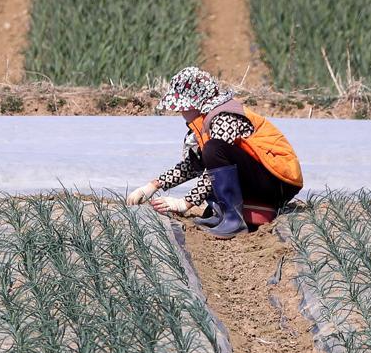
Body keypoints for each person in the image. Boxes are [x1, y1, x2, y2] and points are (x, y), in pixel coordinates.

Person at [126, 66, 303, 238]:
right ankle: (222, 214)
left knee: (213, 150)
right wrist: (154, 185)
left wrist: (185, 202)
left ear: (195, 102)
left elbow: (214, 161)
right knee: (210, 153)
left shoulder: (223, 117)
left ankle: (234, 220)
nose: (179, 111)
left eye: (181, 106)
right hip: (263, 177)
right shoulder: (207, 118)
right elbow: (196, 163)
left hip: (277, 182)